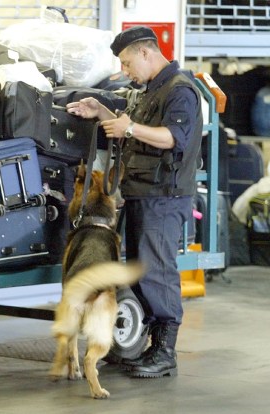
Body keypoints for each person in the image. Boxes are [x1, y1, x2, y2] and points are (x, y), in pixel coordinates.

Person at [66, 26, 203, 378]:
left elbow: (173, 137)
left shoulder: (180, 91)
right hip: (141, 192)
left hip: (165, 197)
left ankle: (164, 351)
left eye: (127, 64)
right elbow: (131, 128)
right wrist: (101, 112)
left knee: (157, 272)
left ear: (146, 53)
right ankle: (146, 346)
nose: (125, 72)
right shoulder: (148, 91)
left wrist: (127, 128)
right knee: (141, 272)